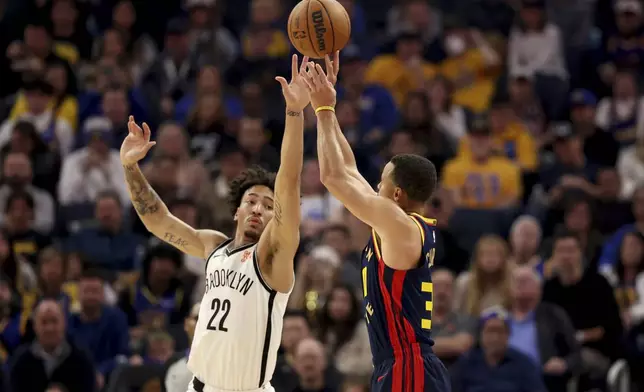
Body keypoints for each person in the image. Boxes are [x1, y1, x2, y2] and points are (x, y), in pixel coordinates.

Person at [119, 54, 311, 392]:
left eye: (268, 206)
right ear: (236, 210)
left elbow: (290, 180)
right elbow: (158, 221)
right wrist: (130, 167)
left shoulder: (271, 257)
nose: (258, 209)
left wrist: (294, 113)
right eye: (251, 201)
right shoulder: (213, 246)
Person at [301, 54, 450, 391]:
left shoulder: (398, 224)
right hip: (397, 363)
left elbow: (333, 177)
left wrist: (322, 111)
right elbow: (349, 170)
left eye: (381, 182)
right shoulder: (399, 224)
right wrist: (329, 105)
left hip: (407, 364)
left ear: (396, 194)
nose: (374, 187)